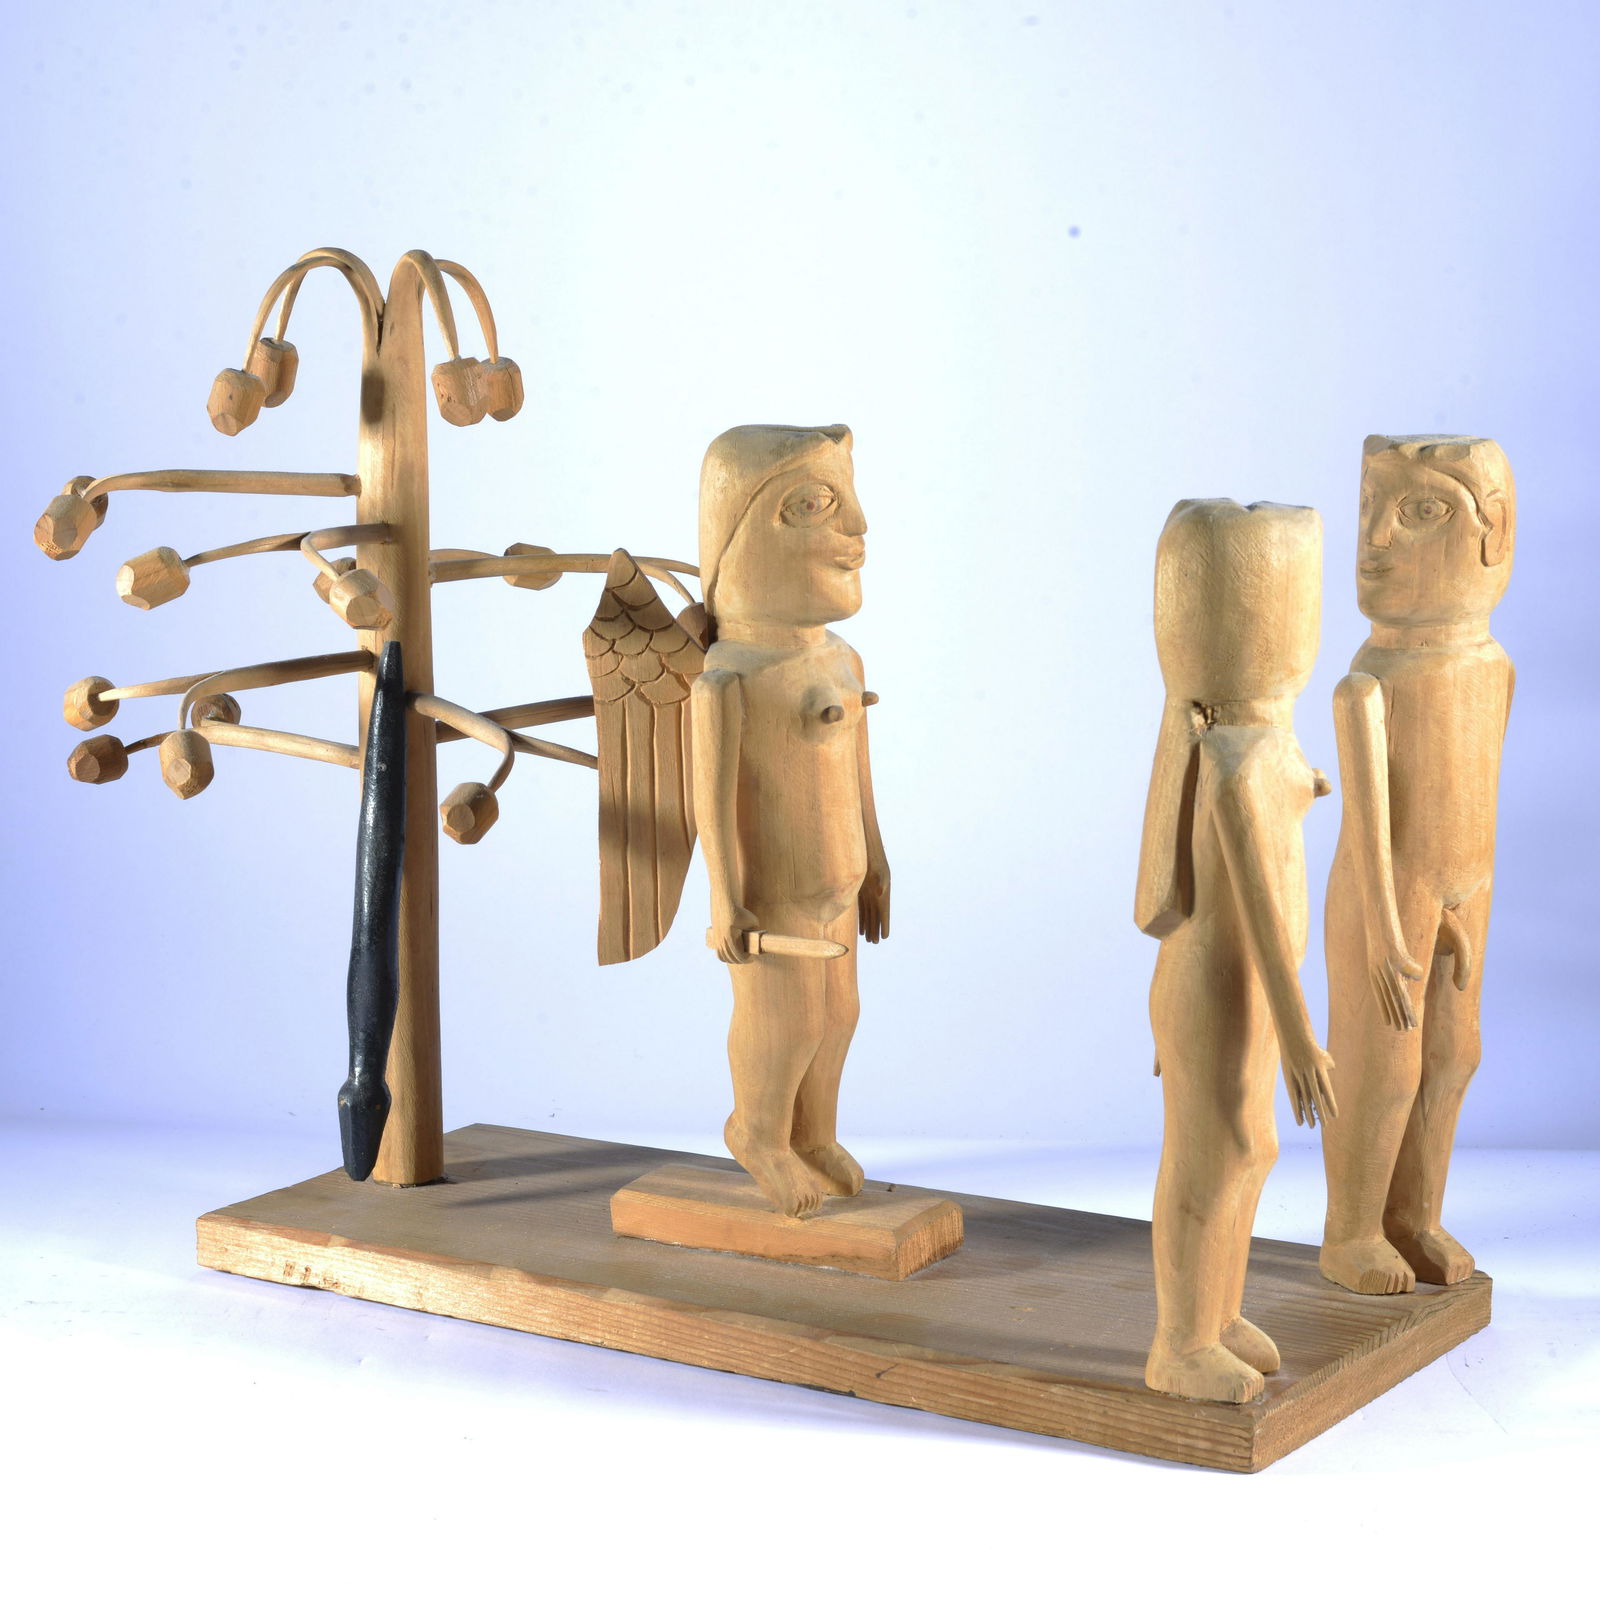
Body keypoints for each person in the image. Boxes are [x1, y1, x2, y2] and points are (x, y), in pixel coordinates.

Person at [1136, 499, 1337, 1403]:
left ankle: (1217, 1315)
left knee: (1253, 1149)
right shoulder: (1231, 760)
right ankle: (1178, 1341)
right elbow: (1255, 909)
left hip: (1251, 986)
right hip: (1220, 985)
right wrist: (1302, 1037)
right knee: (1209, 1155)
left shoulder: (1266, 741)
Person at [1319, 436, 1515, 1294]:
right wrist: (1387, 928)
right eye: (1370, 508)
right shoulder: (1371, 679)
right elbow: (1371, 825)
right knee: (1383, 1066)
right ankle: (1352, 1231)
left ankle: (1414, 1216)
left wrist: (1466, 906)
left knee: (1452, 1055)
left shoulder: (1492, 669)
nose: (1375, 539)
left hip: (1462, 896)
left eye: (1420, 511)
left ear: (1494, 532)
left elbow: (1478, 810)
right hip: (1385, 899)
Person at [691, 424, 890, 1219]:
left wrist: (876, 862)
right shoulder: (728, 679)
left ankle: (814, 1133)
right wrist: (724, 899)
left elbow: (859, 775)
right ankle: (759, 1132)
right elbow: (710, 802)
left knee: (838, 1015)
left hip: (838, 884)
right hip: (770, 897)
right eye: (818, 506)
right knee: (787, 1020)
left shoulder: (843, 660)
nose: (860, 527)